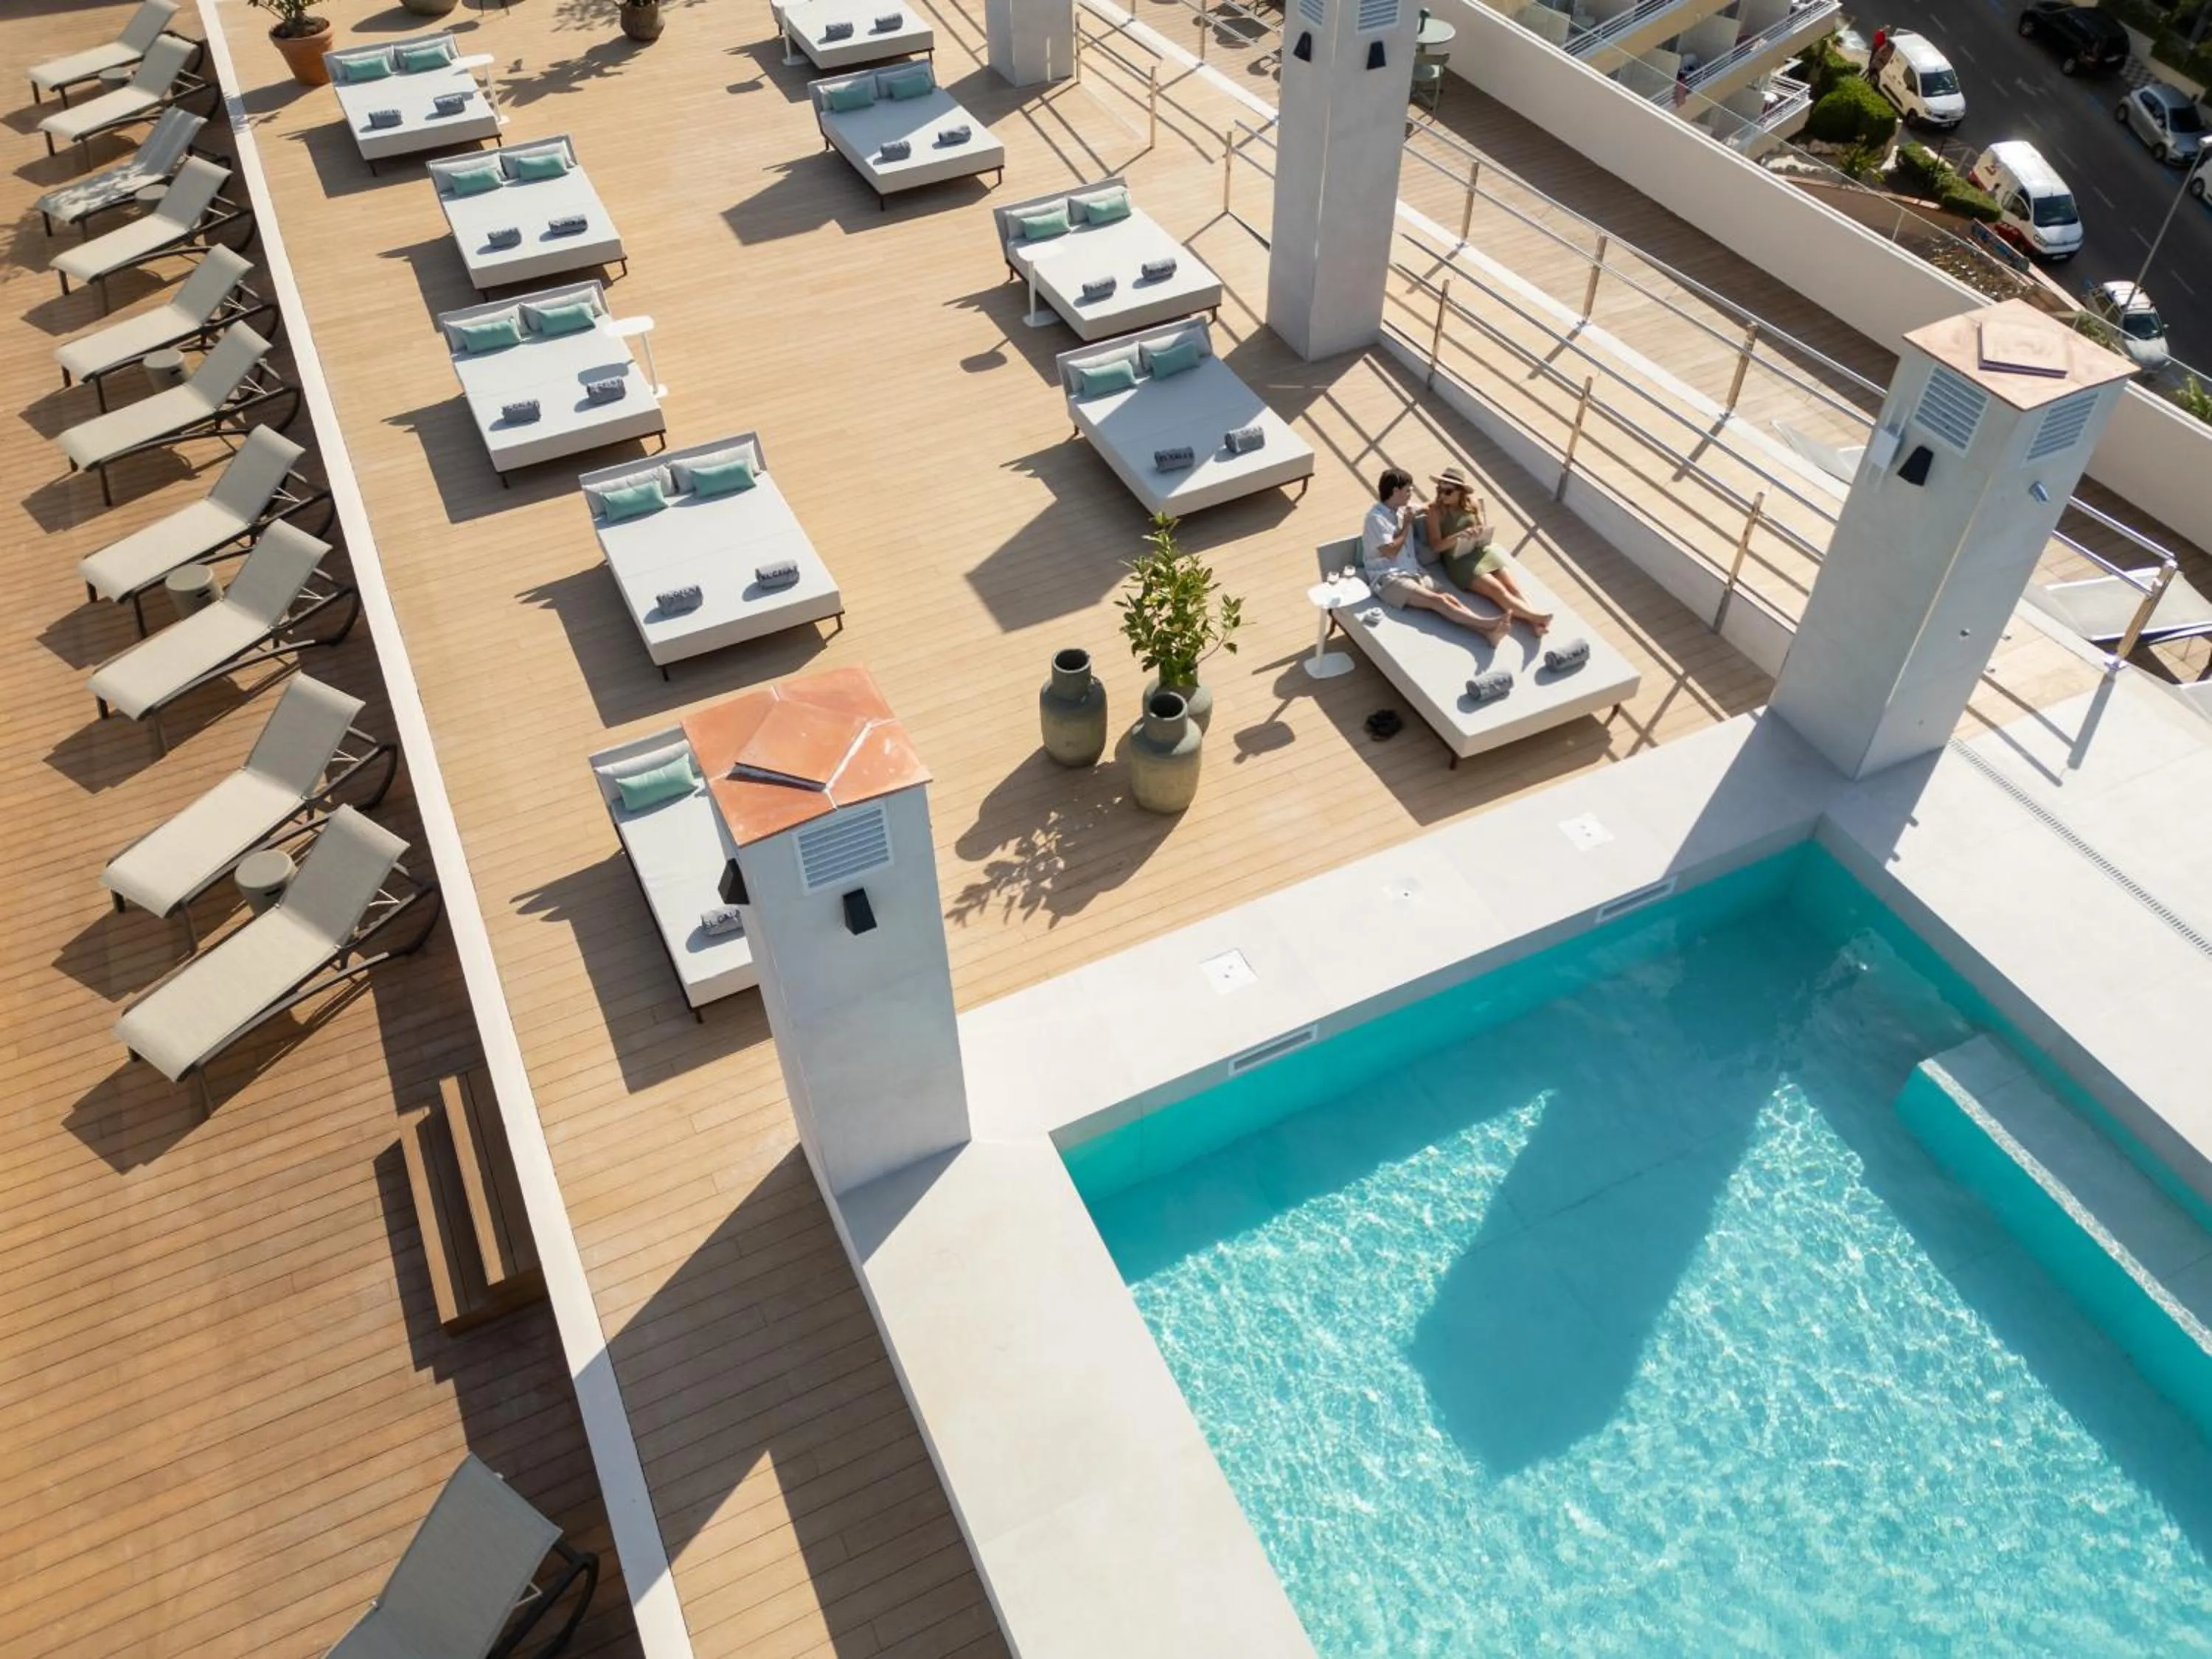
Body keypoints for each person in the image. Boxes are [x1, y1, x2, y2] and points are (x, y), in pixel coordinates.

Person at [1360, 467, 1509, 646]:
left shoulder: (1403, 509)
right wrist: (1407, 525)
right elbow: (1390, 551)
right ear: (1395, 491)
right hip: (1389, 578)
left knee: (1448, 599)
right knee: (1437, 601)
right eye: (1408, 491)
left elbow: (1429, 506)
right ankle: (1487, 623)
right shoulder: (1376, 519)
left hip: (1413, 571)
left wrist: (1461, 497)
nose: (1411, 494)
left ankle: (1487, 634)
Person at [1424, 465, 1551, 634]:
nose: (1441, 495)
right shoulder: (1435, 512)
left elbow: (1481, 527)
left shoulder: (1472, 504)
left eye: (1448, 491)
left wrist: (1478, 531)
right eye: (1439, 489)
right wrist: (1459, 536)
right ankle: (1537, 618)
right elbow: (1436, 546)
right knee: (1498, 591)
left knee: (1513, 588)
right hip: (1458, 560)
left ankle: (1535, 622)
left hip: (1479, 551)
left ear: (1461, 492)